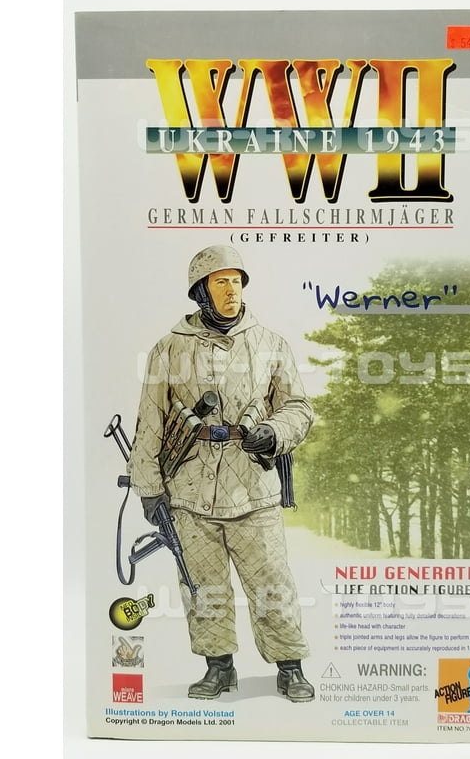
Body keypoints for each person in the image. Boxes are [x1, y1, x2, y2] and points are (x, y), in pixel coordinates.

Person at [127, 245, 315, 703]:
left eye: (236, 281)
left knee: (272, 583)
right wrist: (149, 488)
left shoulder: (270, 344)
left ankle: (290, 667)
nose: (231, 290)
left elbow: (298, 407)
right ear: (200, 291)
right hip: (190, 490)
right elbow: (150, 420)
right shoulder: (169, 348)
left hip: (254, 488)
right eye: (220, 282)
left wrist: (274, 432)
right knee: (203, 586)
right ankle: (219, 667)